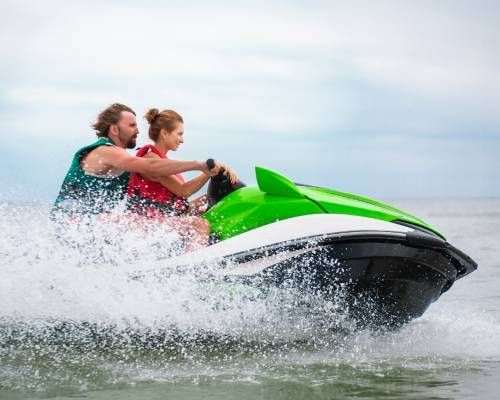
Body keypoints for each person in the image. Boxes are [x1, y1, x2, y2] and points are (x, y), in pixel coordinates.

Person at [53, 103, 223, 217]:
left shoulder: (123, 160)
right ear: (114, 129)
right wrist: (199, 165)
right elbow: (151, 166)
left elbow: (165, 188)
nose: (138, 131)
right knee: (114, 221)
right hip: (72, 219)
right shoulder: (105, 151)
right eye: (131, 126)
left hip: (94, 223)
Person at [127, 108, 237, 251]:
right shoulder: (151, 159)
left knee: (208, 209)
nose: (182, 140)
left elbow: (177, 206)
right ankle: (191, 270)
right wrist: (209, 173)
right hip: (144, 223)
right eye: (179, 134)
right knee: (200, 224)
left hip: (160, 219)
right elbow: (183, 190)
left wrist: (210, 198)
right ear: (164, 133)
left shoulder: (166, 163)